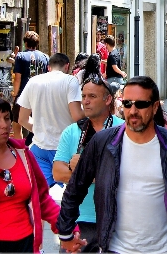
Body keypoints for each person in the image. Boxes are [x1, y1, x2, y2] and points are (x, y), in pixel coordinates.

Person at [57, 76, 167, 253]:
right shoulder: (102, 143)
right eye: (127, 104)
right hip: (116, 248)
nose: (133, 110)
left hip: (165, 249)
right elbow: (75, 188)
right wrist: (66, 234)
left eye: (140, 104)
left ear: (155, 107)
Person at [0, 94, 84, 253]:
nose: (5, 125)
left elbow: (42, 198)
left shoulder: (23, 153)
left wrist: (66, 229)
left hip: (25, 242)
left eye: (7, 118)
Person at [53, 76, 125, 252]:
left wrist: (83, 170)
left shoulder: (123, 130)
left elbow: (129, 174)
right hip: (79, 219)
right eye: (83, 96)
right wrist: (100, 173)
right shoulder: (72, 131)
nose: (85, 101)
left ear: (108, 99)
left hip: (117, 219)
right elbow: (58, 173)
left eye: (92, 96)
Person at [17, 53, 84, 187]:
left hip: (39, 147)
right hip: (66, 148)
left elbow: (22, 119)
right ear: (67, 66)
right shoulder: (70, 81)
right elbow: (77, 116)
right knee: (69, 195)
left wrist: (38, 130)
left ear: (48, 67)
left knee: (41, 194)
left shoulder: (33, 81)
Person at [11, 31, 49, 142]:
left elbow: (17, 78)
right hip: (41, 95)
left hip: (24, 94)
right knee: (38, 123)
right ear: (37, 43)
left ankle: (21, 149)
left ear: (25, 43)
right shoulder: (45, 57)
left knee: (17, 125)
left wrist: (15, 94)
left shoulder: (21, 56)